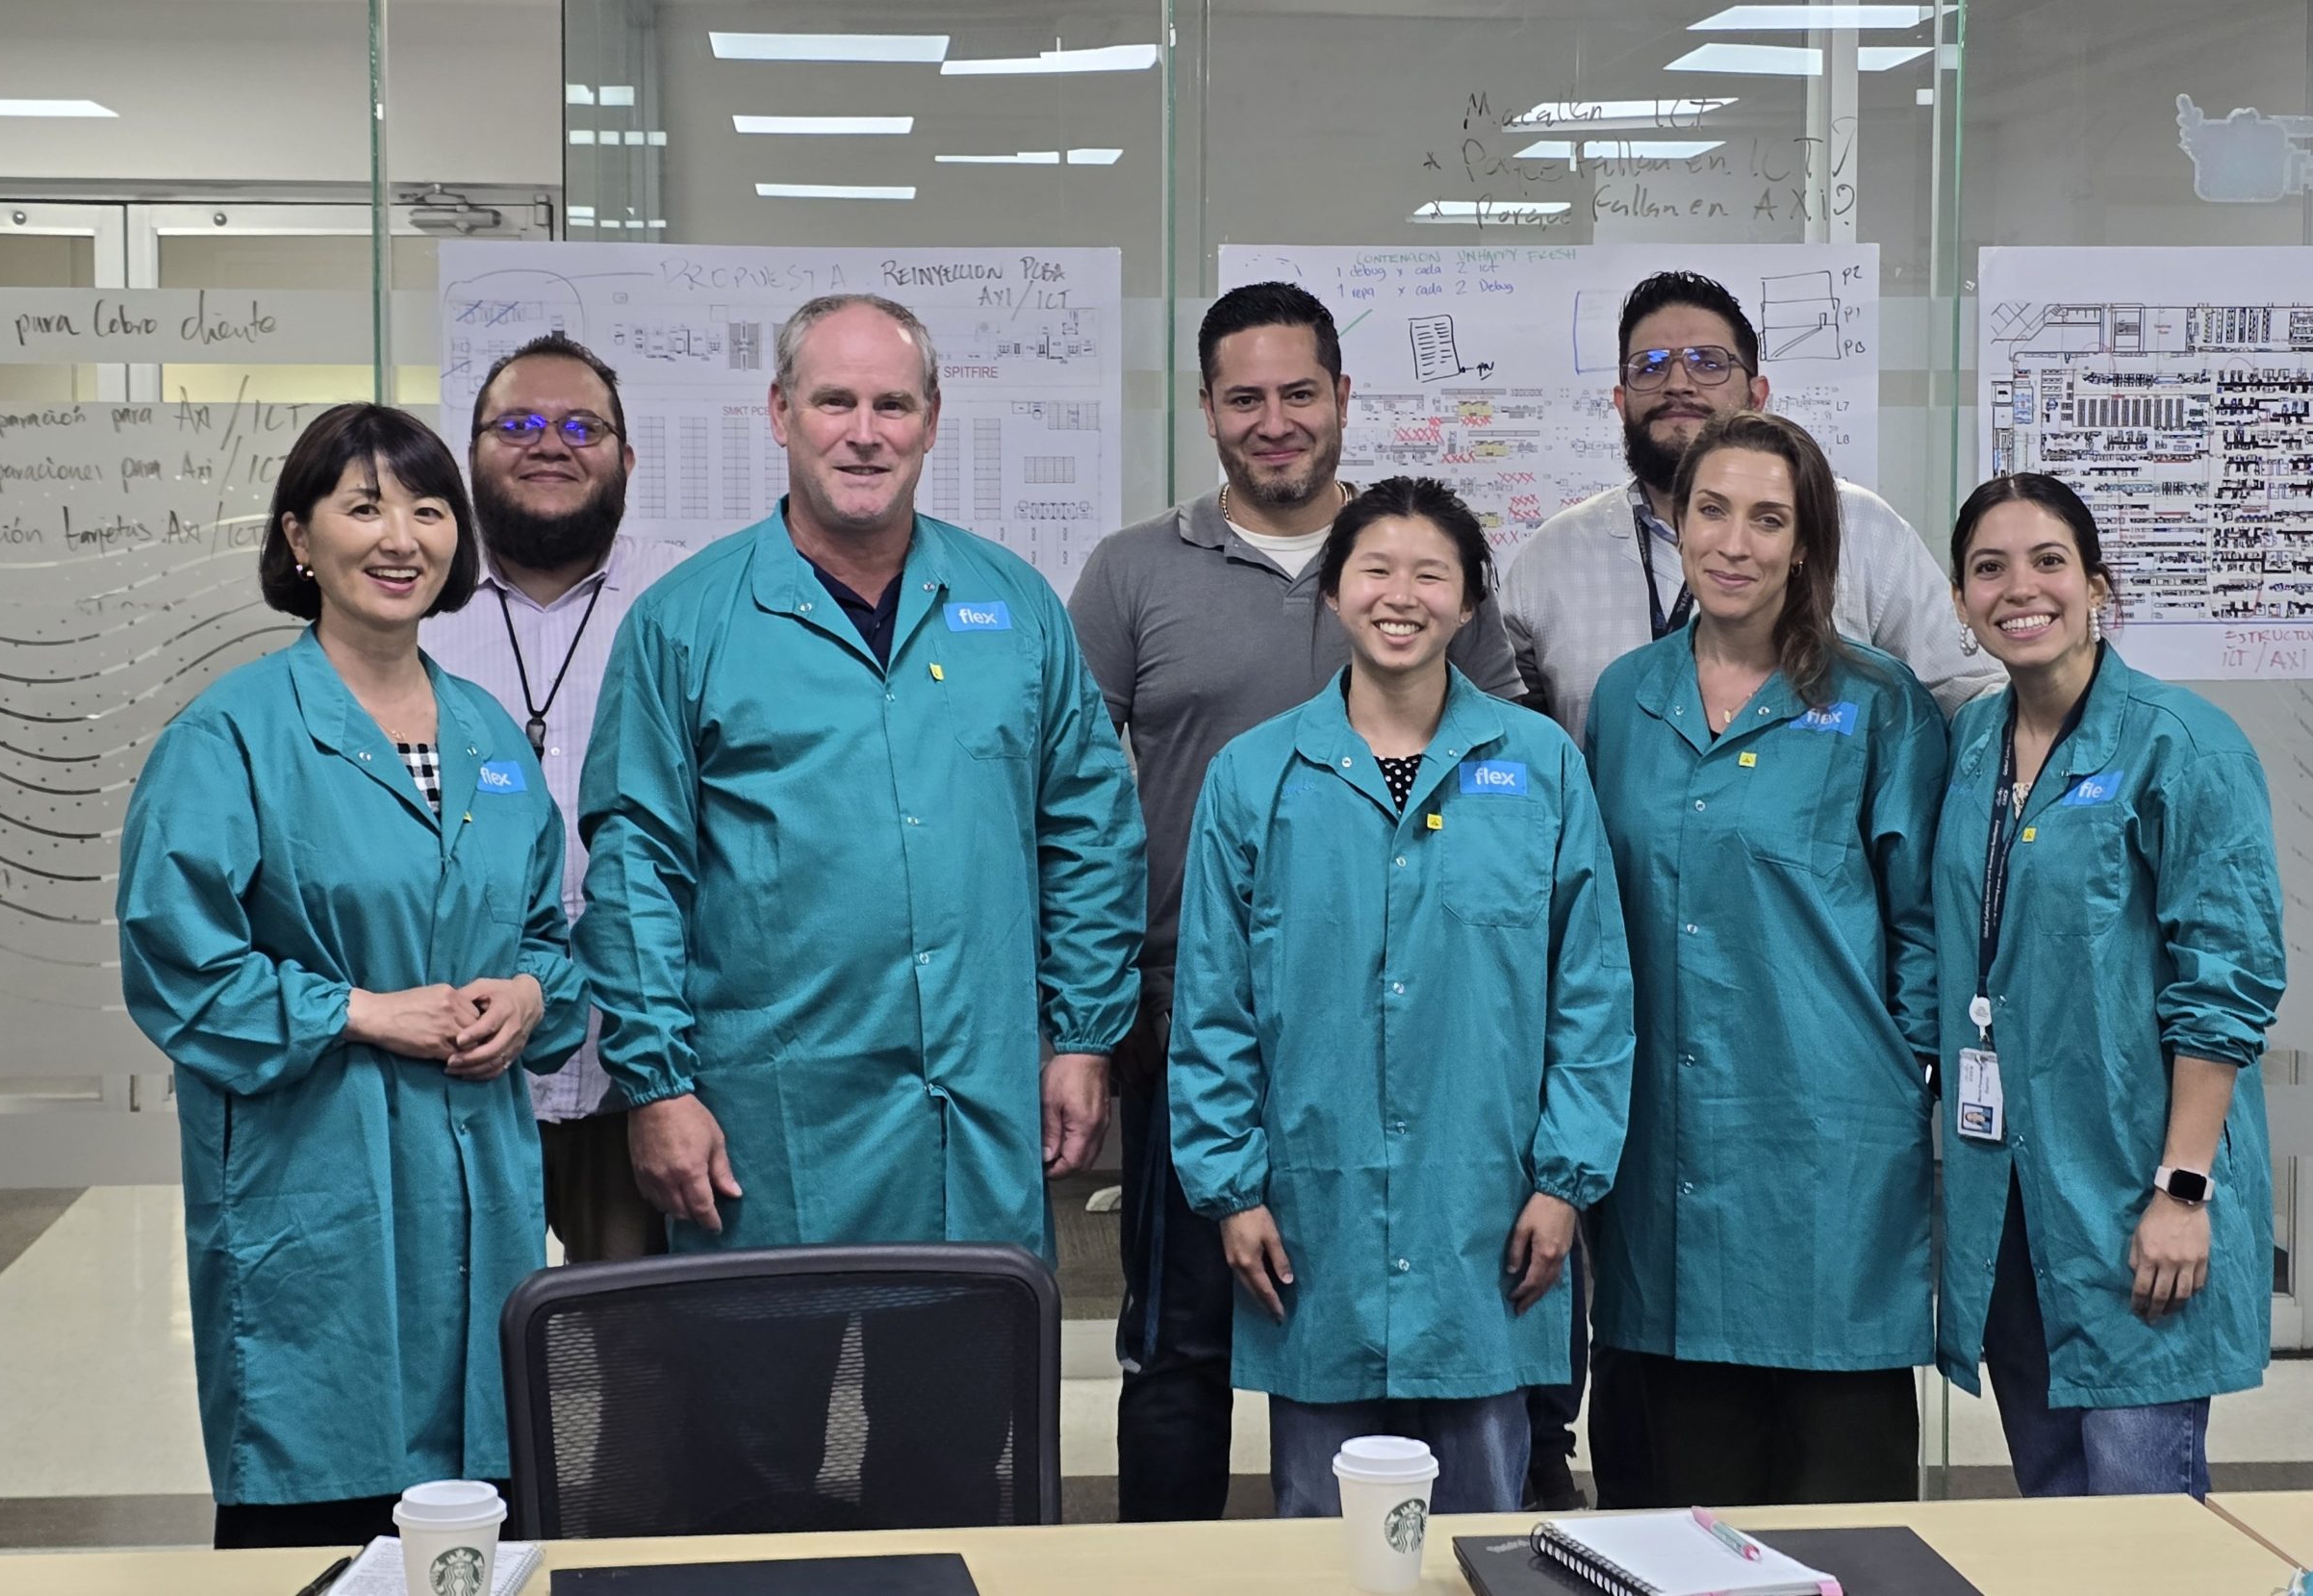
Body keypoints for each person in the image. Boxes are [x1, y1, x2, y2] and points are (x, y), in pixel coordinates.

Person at [573, 292, 1146, 1527]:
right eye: (834, 400)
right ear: (779, 414)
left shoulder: (1012, 608)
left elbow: (1090, 831)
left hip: (970, 1124)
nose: (863, 430)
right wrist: (657, 1084)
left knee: (950, 1470)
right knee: (747, 1473)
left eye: (893, 403)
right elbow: (633, 869)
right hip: (762, 1137)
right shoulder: (688, 622)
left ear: (933, 423)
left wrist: (1083, 1031)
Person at [1068, 281, 1525, 1522]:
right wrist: (1091, 1019)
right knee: (1180, 1348)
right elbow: (1069, 804)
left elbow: (1504, 771)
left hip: (1416, 1036)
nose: (1275, 420)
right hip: (1192, 1025)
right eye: (1244, 396)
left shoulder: (1406, 563)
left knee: (1377, 1336)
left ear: (1340, 398)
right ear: (1208, 408)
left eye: (1299, 392)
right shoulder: (1128, 575)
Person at [115, 403, 588, 1549]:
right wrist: (360, 1009)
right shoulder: (230, 735)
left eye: (428, 508)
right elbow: (176, 963)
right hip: (315, 1176)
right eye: (362, 504)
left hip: (478, 1176)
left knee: (484, 1507)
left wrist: (529, 995)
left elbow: (547, 935)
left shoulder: (489, 738)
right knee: (321, 1495)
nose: (401, 537)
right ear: (298, 538)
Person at [1167, 476, 1633, 1518]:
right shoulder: (1255, 775)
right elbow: (1211, 1004)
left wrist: (1564, 1181)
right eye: (1375, 568)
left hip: (1490, 1214)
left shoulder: (1541, 765)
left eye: (1433, 572)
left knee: (1481, 1516)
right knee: (1322, 1524)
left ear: (1470, 601)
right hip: (1308, 1213)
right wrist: (1231, 1188)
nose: (1401, 594)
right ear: (1334, 589)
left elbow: (1591, 989)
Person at [1580, 411, 1944, 1508]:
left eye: (1767, 517)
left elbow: (1924, 925)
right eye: (1711, 509)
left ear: (1807, 541)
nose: (1734, 541)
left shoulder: (1877, 702)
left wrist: (1899, 1076)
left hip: (1829, 1149)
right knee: (1672, 1480)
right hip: (1662, 1142)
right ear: (1676, 523)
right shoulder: (1623, 698)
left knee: (1836, 1493)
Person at [1935, 472, 2284, 1499]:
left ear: (2095, 586)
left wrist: (2182, 1188)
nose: (2018, 588)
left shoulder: (2181, 741)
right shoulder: (1969, 744)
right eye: (1988, 568)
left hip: (2136, 1188)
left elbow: (2228, 980)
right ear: (1959, 603)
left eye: (2047, 561)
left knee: (2142, 1522)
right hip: (2009, 1198)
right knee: (2053, 1513)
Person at [422, 331, 684, 1264]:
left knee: (647, 1357)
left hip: (646, 1078)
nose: (550, 443)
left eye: (583, 425)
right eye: (519, 423)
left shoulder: (685, 603)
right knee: (463, 1349)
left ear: (627, 456)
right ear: (472, 451)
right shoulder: (411, 611)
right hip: (453, 1070)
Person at [1502, 268, 1998, 738]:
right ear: (1620, 399)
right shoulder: (1551, 559)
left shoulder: (1863, 528)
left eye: (1709, 363)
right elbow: (1504, 734)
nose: (1678, 383)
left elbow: (1971, 697)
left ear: (1758, 395)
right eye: (1649, 366)